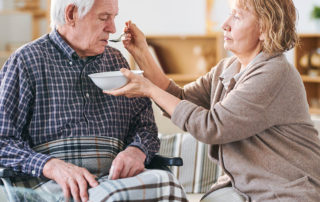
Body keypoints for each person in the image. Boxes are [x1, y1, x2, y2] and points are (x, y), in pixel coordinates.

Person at [106, 0, 320, 201]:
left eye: (236, 17)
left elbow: (212, 126)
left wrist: (149, 89)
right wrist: (142, 52)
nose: (224, 25)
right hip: (244, 189)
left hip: (286, 190)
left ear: (264, 29)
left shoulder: (274, 72)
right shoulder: (228, 67)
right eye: (229, 14)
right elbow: (180, 99)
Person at [0, 0, 187, 201]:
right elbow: (3, 141)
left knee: (168, 185)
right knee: (112, 197)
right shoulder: (26, 62)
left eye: (114, 18)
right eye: (103, 18)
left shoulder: (116, 61)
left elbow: (145, 127)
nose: (113, 28)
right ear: (71, 14)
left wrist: (137, 151)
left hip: (113, 180)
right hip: (49, 184)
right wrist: (51, 166)